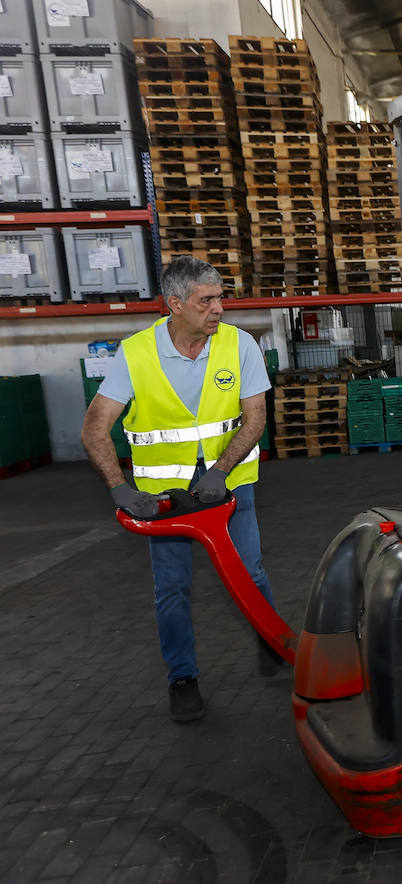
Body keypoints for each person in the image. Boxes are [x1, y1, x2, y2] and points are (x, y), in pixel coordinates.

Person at [81, 256, 283, 722]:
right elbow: (95, 427)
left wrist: (221, 471)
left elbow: (255, 418)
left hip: (228, 487)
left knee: (250, 571)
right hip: (163, 500)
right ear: (175, 304)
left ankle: (272, 641)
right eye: (206, 301)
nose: (219, 309)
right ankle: (182, 678)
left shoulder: (240, 345)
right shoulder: (136, 353)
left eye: (220, 299)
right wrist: (118, 488)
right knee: (172, 588)